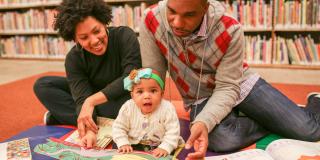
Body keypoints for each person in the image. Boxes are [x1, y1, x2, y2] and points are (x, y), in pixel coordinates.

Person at [139, 0, 320, 159]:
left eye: (189, 14)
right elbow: (153, 77)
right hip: (199, 96)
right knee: (223, 140)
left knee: (310, 131)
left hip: (238, 84)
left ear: (205, 9)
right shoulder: (151, 20)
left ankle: (315, 101)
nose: (177, 23)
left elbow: (227, 87)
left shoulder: (230, 29)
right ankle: (272, 118)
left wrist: (204, 121)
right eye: (172, 11)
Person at [33, 0, 141, 148]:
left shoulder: (124, 35)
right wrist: (90, 131)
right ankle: (93, 119)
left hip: (120, 94)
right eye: (84, 38)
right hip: (95, 97)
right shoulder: (73, 58)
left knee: (133, 103)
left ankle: (62, 116)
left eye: (97, 31)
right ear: (74, 39)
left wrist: (90, 102)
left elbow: (131, 77)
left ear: (104, 22)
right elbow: (81, 96)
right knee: (43, 85)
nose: (95, 40)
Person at [112, 68, 183, 158]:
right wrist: (123, 143)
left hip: (159, 144)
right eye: (140, 92)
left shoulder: (167, 108)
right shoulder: (128, 107)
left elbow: (173, 131)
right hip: (132, 143)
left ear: (161, 94)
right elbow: (119, 127)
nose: (147, 96)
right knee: (118, 149)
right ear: (132, 95)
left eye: (153, 91)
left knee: (169, 154)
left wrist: (165, 147)